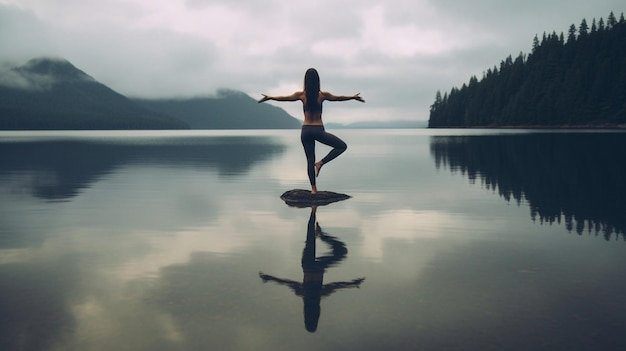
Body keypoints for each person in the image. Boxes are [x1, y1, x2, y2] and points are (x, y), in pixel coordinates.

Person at [258, 68, 365, 194]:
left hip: (306, 130)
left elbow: (285, 98)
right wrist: (352, 97)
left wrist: (270, 97)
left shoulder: (301, 95)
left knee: (309, 159)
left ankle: (313, 189)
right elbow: (338, 98)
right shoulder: (322, 95)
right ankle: (321, 163)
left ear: (306, 81)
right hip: (318, 130)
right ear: (318, 81)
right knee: (342, 146)